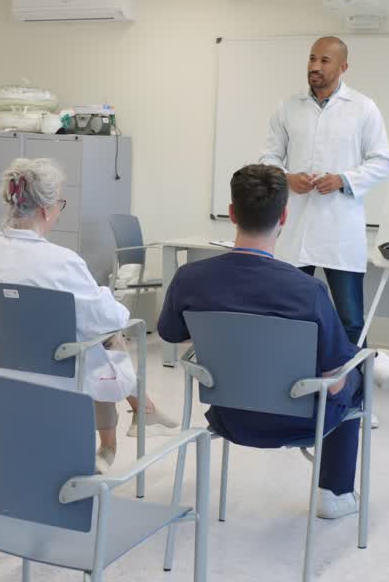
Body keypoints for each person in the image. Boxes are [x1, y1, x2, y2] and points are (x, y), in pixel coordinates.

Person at [158, 164, 372, 518]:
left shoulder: (190, 279)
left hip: (229, 418)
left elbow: (169, 333)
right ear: (285, 216)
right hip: (301, 422)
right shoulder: (308, 291)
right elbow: (335, 386)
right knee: (355, 370)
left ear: (231, 213)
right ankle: (335, 493)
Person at [0, 158, 177, 472]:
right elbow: (112, 318)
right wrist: (107, 296)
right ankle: (113, 441)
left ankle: (139, 412)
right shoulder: (61, 261)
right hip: (60, 374)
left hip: (4, 367)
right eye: (60, 204)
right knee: (105, 337)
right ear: (44, 210)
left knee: (88, 332)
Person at [259, 36, 389, 389]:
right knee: (288, 314)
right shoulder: (288, 107)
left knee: (349, 321)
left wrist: (344, 179)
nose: (315, 66)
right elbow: (267, 157)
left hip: (340, 231)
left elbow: (382, 161)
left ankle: (356, 400)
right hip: (295, 228)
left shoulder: (363, 108)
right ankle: (290, 392)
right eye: (312, 59)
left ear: (343, 66)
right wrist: (286, 177)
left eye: (325, 60)